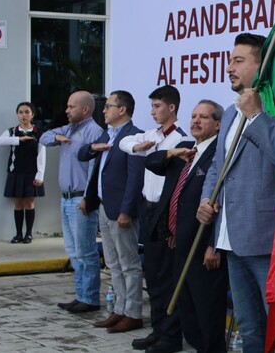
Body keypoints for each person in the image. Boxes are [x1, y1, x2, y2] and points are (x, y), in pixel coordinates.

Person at [196, 33, 275, 353]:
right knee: (249, 328)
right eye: (230, 60)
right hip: (231, 238)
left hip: (267, 239)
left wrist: (256, 116)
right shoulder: (229, 112)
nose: (230, 67)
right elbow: (217, 165)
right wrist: (206, 198)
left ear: (263, 64)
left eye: (239, 61)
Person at [146, 100, 227, 353]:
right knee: (189, 315)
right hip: (180, 243)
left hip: (203, 251)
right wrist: (172, 153)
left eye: (203, 117)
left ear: (218, 125)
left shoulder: (219, 154)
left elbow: (222, 204)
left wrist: (214, 245)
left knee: (207, 317)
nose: (196, 121)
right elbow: (151, 162)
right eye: (193, 116)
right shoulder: (185, 149)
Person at [120, 85, 188, 352]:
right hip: (147, 207)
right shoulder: (152, 135)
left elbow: (164, 169)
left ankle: (171, 335)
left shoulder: (181, 139)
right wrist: (139, 145)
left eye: (157, 106)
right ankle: (157, 329)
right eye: (151, 106)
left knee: (166, 276)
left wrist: (157, 152)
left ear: (171, 108)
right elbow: (124, 143)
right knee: (153, 275)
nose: (153, 112)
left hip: (165, 210)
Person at [79, 90, 145, 333]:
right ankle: (119, 309)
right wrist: (93, 148)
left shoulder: (133, 135)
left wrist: (126, 210)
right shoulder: (108, 134)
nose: (104, 110)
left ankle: (133, 313)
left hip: (121, 211)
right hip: (105, 208)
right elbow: (83, 154)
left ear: (122, 110)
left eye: (108, 106)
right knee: (113, 263)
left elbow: (135, 178)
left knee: (129, 263)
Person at [40, 91, 103, 314]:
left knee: (85, 251)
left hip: (80, 198)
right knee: (73, 250)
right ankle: (81, 295)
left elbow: (95, 170)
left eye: (71, 107)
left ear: (85, 109)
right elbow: (44, 137)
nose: (66, 111)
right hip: (66, 199)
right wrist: (56, 138)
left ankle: (90, 298)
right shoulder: (67, 129)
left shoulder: (94, 132)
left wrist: (88, 197)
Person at [0, 101, 46, 244]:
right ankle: (18, 234)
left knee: (29, 203)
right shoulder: (12, 132)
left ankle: (29, 234)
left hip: (32, 173)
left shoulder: (38, 133)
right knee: (18, 204)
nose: (23, 115)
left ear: (32, 114)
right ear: (17, 115)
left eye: (27, 112)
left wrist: (40, 175)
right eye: (20, 112)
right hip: (15, 172)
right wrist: (20, 139)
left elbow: (42, 155)